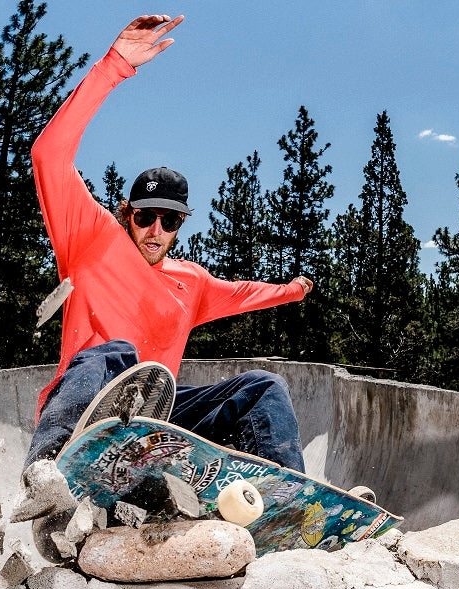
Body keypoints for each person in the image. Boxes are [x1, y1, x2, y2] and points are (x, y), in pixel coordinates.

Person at [27, 13, 312, 473]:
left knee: (262, 387)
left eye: (169, 220)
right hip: (85, 415)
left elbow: (244, 294)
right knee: (116, 353)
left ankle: (289, 496)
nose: (155, 230)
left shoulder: (190, 283)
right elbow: (49, 154)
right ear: (127, 214)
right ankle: (47, 470)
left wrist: (294, 290)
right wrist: (115, 64)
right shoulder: (90, 239)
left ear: (180, 224)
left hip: (155, 427)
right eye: (144, 217)